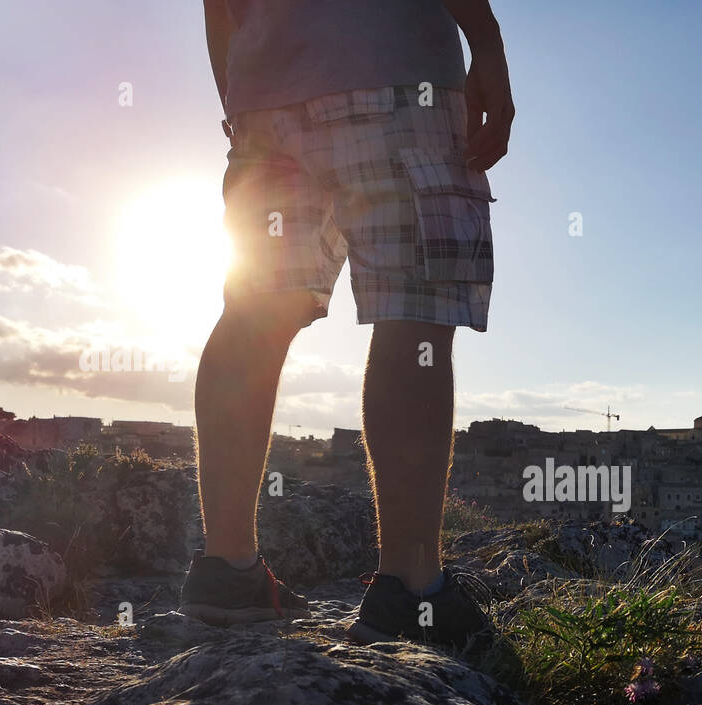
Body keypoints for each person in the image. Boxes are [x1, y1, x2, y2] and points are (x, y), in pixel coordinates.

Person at [181, 0, 513, 655]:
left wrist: (244, 95)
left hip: (264, 95)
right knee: (413, 312)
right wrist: (488, 43)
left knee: (253, 312)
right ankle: (412, 587)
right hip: (395, 67)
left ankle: (226, 567)